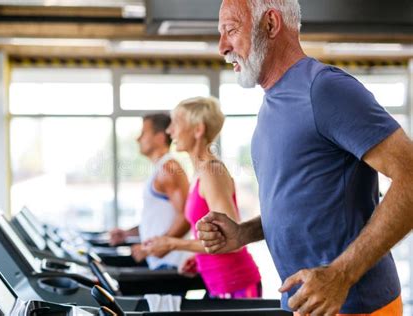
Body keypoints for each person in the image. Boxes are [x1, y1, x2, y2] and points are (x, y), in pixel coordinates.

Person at [196, 0, 412, 315]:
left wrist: (342, 274)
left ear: (270, 24)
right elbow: (306, 206)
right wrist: (244, 233)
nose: (221, 47)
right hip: (304, 303)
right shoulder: (271, 105)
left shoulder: (324, 89)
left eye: (230, 30)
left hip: (356, 305)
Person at [143, 96, 262, 299]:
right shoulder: (200, 173)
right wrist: (197, 258)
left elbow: (234, 239)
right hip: (218, 283)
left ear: (198, 130)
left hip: (236, 283)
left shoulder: (211, 172)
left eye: (176, 123)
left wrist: (172, 243)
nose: (170, 131)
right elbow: (213, 237)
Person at [109, 113, 191, 270]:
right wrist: (128, 234)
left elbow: (186, 217)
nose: (137, 139)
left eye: (143, 133)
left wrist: (157, 246)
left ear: (160, 137)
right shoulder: (161, 168)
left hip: (171, 263)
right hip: (160, 261)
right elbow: (156, 220)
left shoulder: (169, 168)